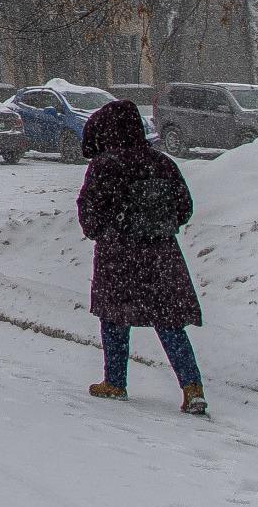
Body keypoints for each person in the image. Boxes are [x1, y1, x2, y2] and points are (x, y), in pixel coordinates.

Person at [77, 100, 207, 415]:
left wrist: (107, 230)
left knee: (114, 318)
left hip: (118, 255)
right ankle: (192, 389)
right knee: (170, 321)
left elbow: (89, 213)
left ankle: (115, 382)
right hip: (162, 255)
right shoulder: (162, 163)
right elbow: (184, 207)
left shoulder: (104, 166)